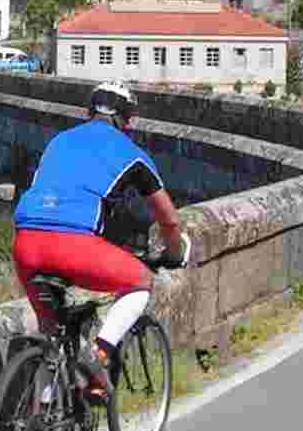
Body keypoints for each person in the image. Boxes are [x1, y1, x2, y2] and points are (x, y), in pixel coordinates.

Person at [14, 81, 191, 400]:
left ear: (89, 111)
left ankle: (41, 418)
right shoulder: (131, 153)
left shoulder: (59, 140)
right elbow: (169, 219)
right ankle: (99, 354)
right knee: (141, 281)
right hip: (72, 245)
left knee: (51, 333)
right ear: (127, 120)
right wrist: (175, 252)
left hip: (25, 243)